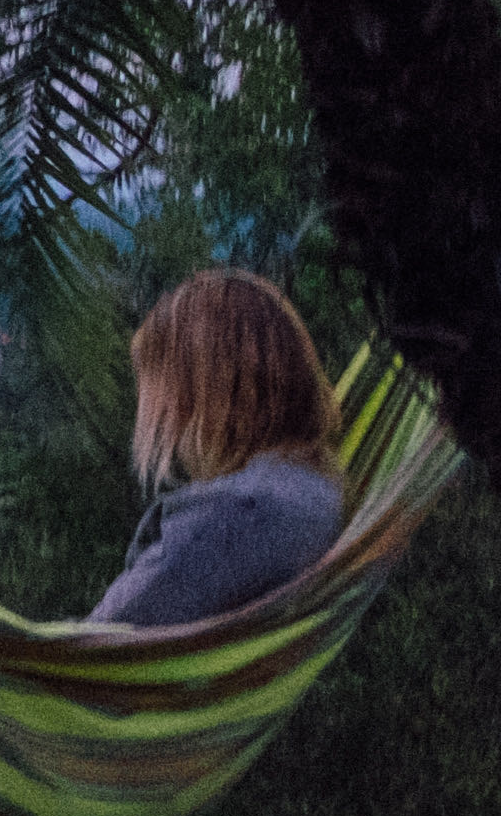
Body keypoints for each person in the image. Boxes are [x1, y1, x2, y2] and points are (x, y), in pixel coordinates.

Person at [81, 270, 346, 631]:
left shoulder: (236, 514)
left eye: (163, 392)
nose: (161, 421)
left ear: (202, 397)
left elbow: (99, 642)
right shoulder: (311, 488)